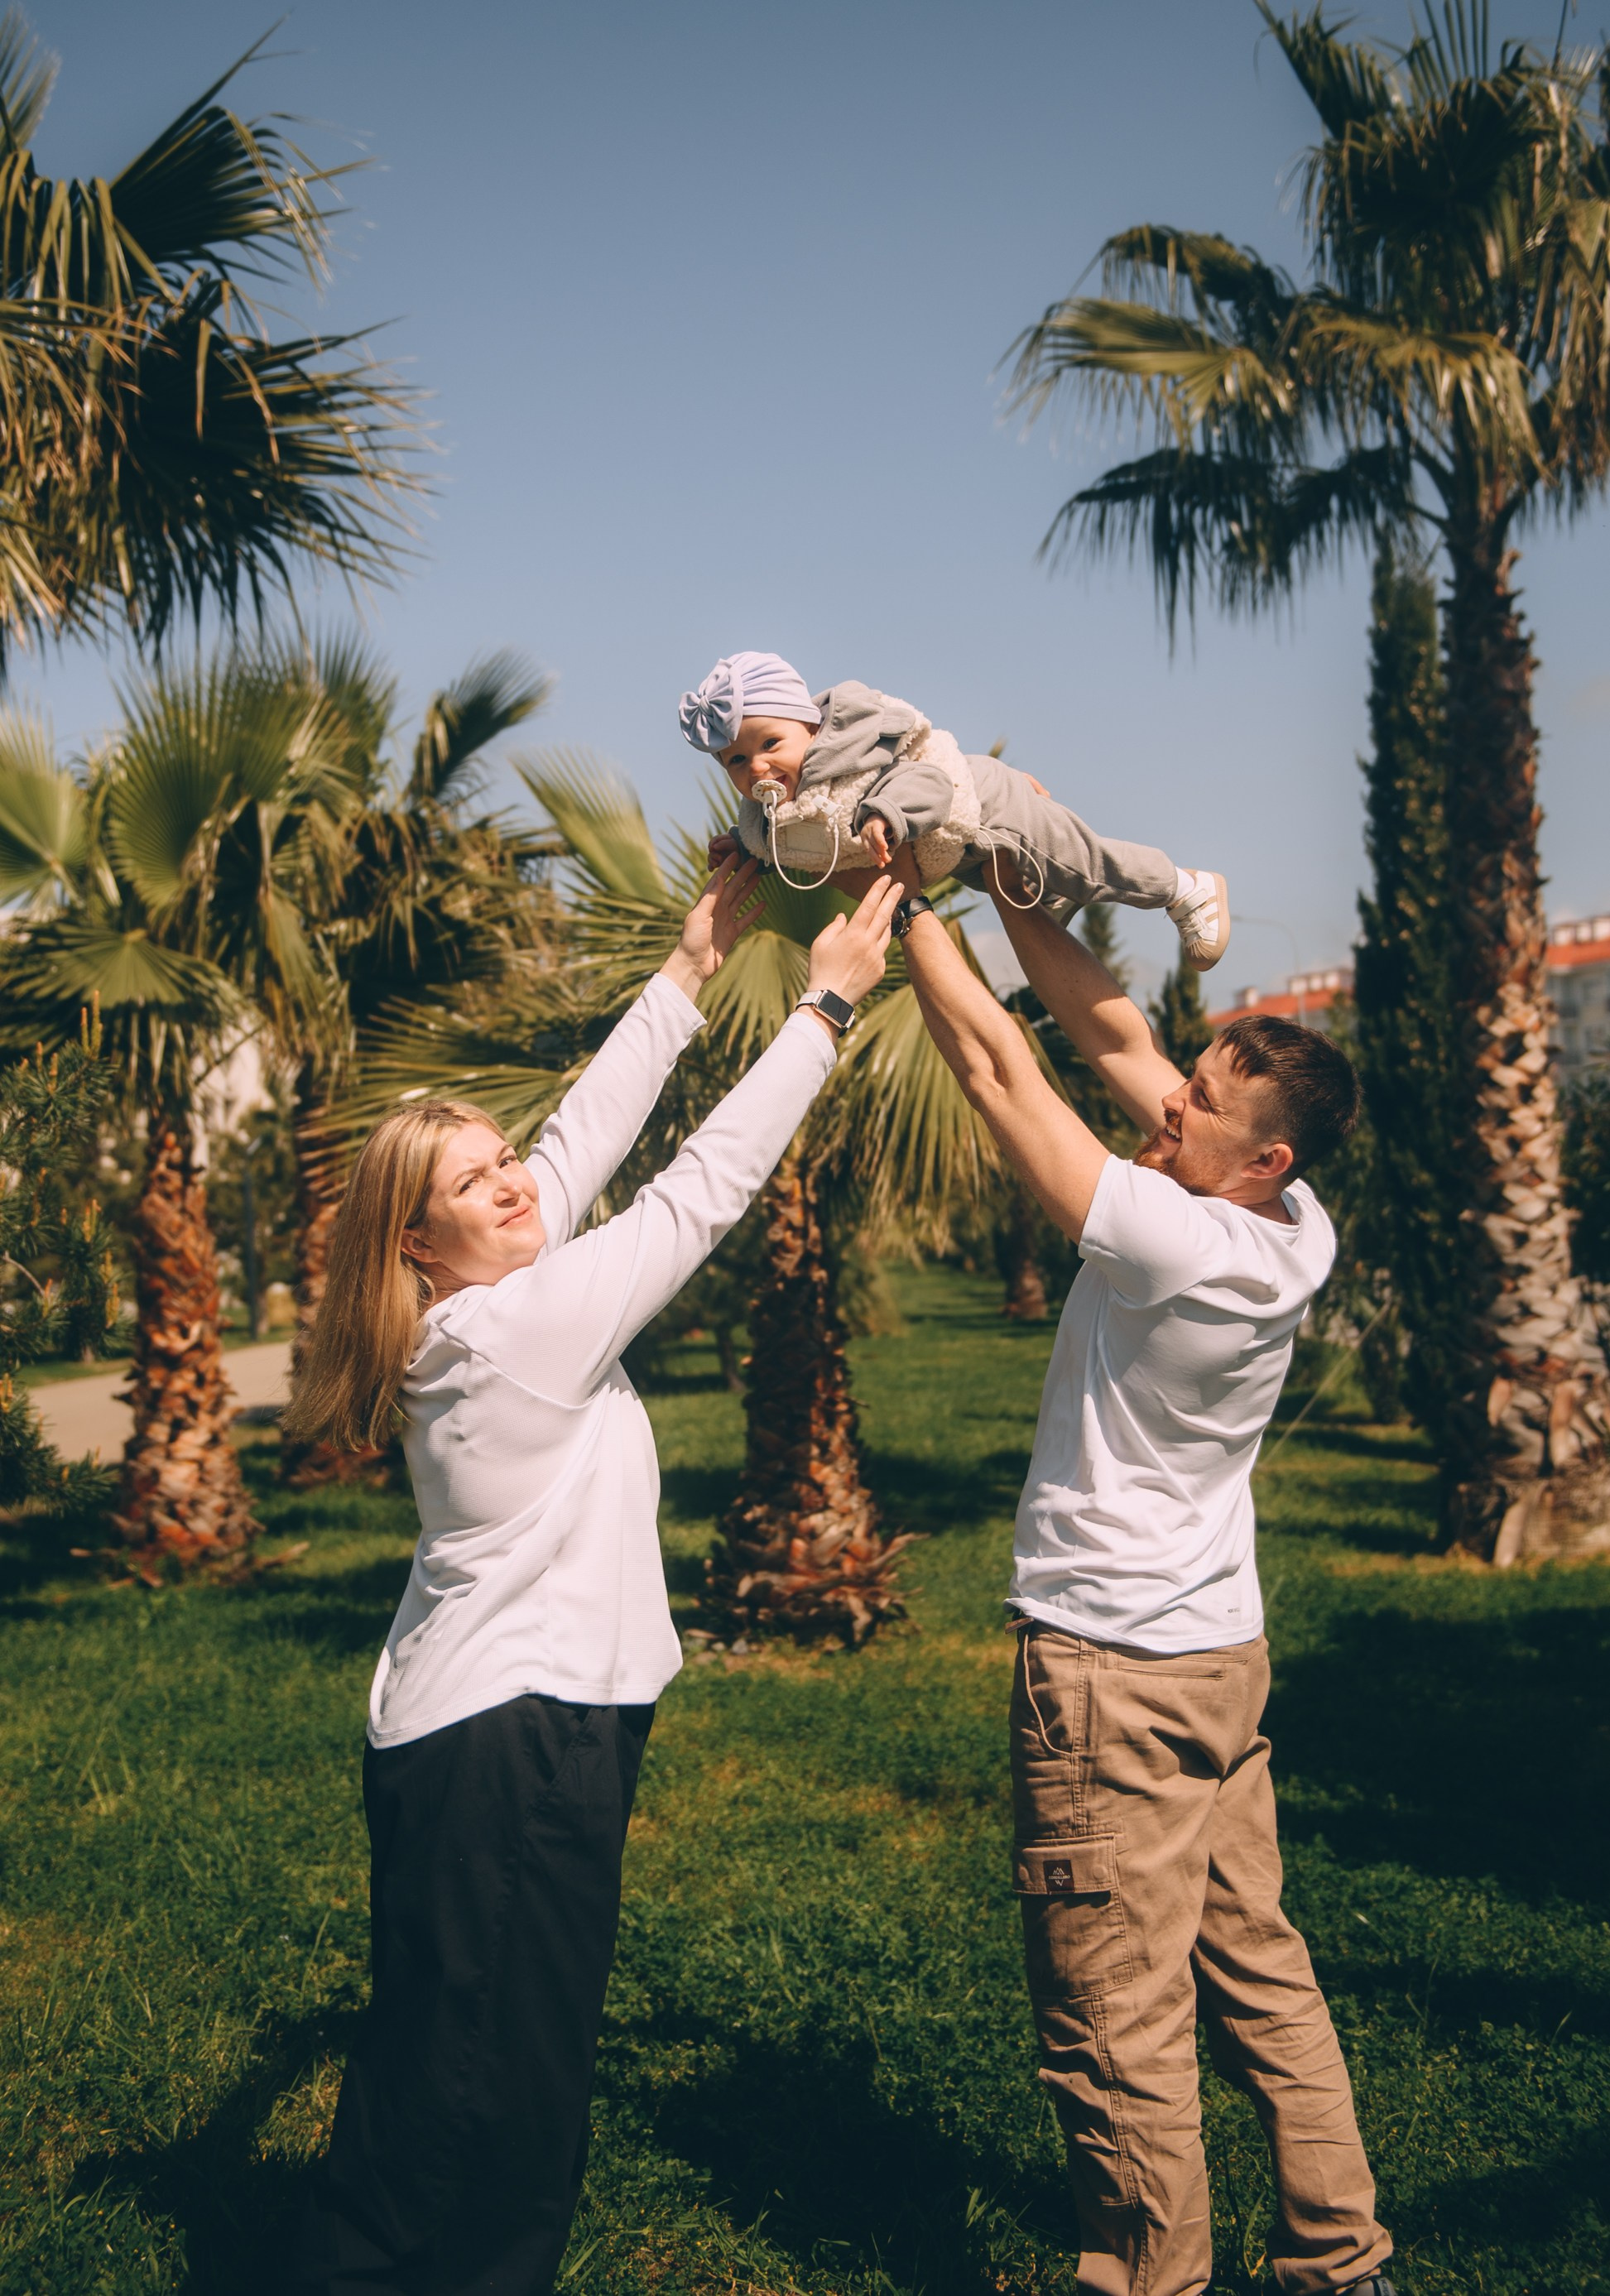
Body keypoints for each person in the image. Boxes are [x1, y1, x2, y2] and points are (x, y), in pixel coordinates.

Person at [285, 859, 903, 2296]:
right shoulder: (514, 1325)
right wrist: (821, 1009)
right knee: (483, 2096)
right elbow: (696, 1194)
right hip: (514, 1738)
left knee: (471, 2059)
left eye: (499, 1157)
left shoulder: (484, 1295)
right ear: (415, 1243)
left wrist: (691, 965)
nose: (514, 1182)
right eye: (472, 1181)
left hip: (511, 1728)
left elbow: (576, 1145)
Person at [877, 858, 1395, 2296]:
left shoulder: (1181, 1236)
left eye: (1205, 1102)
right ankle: (1341, 2254)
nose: (1173, 1099)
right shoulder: (1296, 1225)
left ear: (1261, 1157)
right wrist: (999, 876)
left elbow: (998, 1066)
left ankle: (1149, 2276)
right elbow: (1106, 1035)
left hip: (1112, 1669)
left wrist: (896, 897)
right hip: (1216, 1661)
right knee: (1258, 1963)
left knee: (1115, 2011)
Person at [679, 649, 1230, 968]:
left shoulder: (853, 756)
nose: (755, 768)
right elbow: (797, 841)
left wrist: (885, 814)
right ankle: (1058, 892)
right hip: (959, 855)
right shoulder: (775, 814)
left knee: (1087, 862)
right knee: (1030, 884)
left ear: (811, 728)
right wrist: (743, 844)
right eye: (735, 760)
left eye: (770, 744)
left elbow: (929, 784)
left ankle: (1184, 886)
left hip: (989, 806)